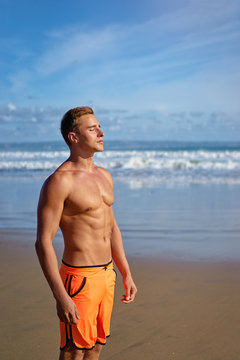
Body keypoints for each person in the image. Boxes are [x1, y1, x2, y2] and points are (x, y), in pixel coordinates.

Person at [35, 106, 137, 360]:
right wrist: (61, 297)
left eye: (99, 127)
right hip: (79, 280)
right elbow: (43, 243)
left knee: (96, 346)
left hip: (107, 275)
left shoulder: (105, 175)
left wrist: (125, 272)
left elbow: (111, 227)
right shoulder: (59, 182)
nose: (101, 133)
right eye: (93, 129)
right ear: (74, 137)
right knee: (73, 351)